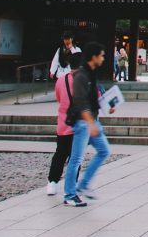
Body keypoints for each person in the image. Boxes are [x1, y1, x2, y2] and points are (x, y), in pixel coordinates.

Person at [63, 42, 112, 207]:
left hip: (92, 121)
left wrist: (106, 107)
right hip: (83, 122)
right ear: (94, 57)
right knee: (76, 159)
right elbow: (80, 102)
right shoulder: (81, 76)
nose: (103, 58)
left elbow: (92, 99)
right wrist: (91, 123)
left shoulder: (91, 74)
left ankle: (83, 184)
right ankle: (69, 194)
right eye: (102, 55)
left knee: (104, 151)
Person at [47, 51, 82, 195]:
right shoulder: (83, 80)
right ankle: (72, 184)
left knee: (60, 154)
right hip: (78, 125)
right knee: (75, 157)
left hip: (63, 122)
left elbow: (59, 98)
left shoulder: (60, 81)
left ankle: (52, 182)